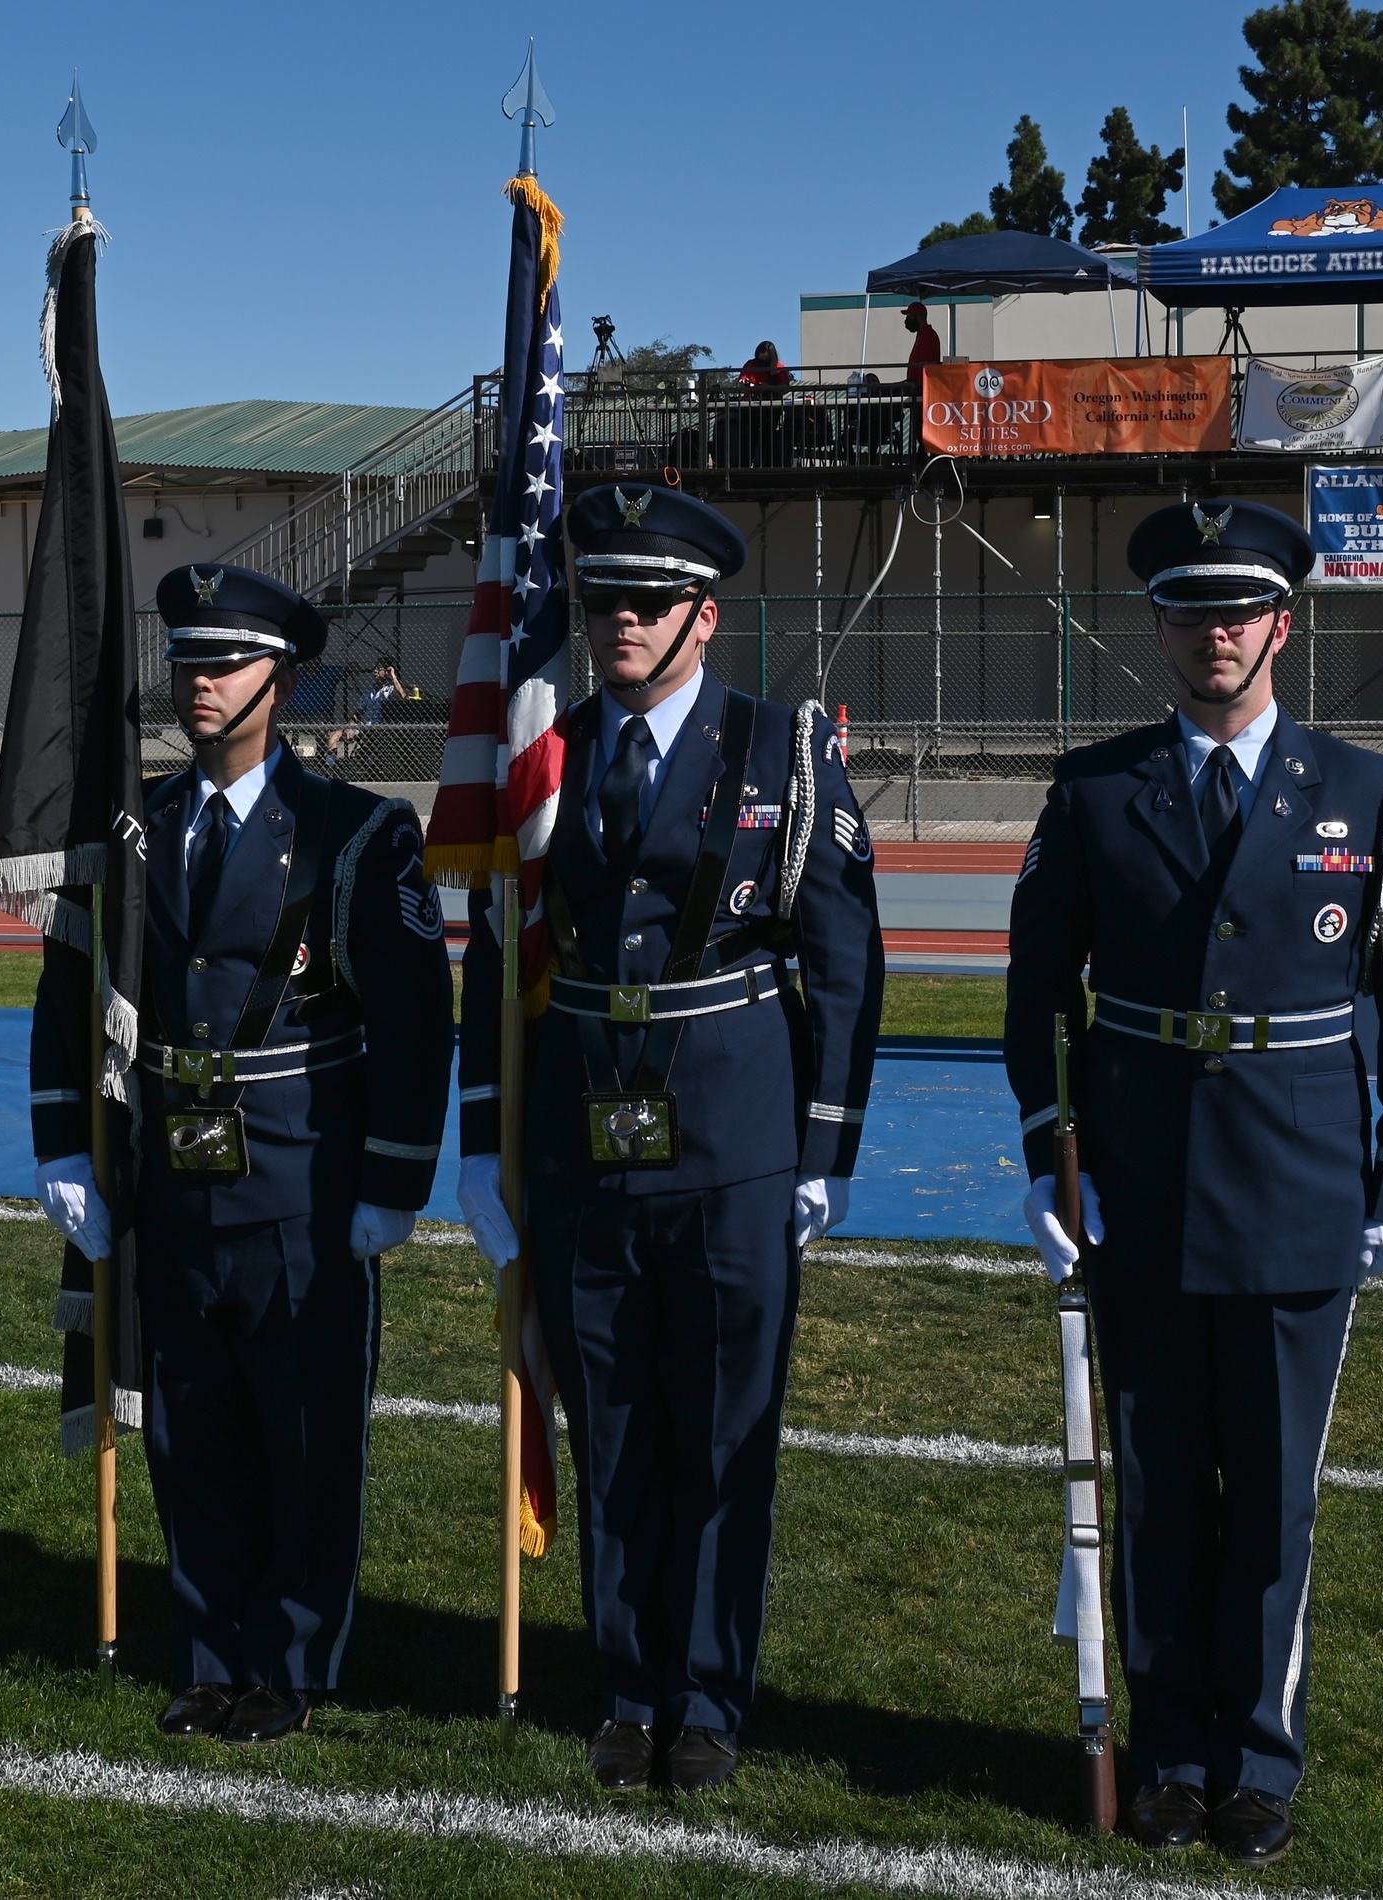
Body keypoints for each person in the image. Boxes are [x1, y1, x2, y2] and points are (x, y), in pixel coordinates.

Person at [1004, 499, 1383, 1868]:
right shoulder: (1092, 791)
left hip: (1301, 1184)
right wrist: (1048, 1150)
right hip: (1139, 1185)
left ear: (1282, 623)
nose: (1217, 632)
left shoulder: (1368, 791)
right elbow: (1036, 995)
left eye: (1241, 608)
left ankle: (1257, 1759)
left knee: (1268, 1499)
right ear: (1159, 627)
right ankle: (1173, 1752)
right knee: (1152, 1487)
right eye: (1191, 610)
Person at [456, 486, 884, 1795]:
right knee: (616, 1427)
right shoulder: (551, 757)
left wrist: (823, 1150)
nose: (619, 622)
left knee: (720, 1430)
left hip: (736, 1143)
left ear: (707, 614)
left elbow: (846, 961)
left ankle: (706, 1692)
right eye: (602, 601)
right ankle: (630, 1683)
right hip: (587, 1142)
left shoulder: (783, 752)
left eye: (648, 602)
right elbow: (495, 955)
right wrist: (486, 1142)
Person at [30, 563, 452, 1745]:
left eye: (223, 662)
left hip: (300, 1175)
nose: (198, 681)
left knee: (304, 1429)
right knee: (190, 1424)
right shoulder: (135, 828)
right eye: (186, 661)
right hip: (169, 1173)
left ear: (284, 677)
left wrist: (392, 1179)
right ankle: (211, 1648)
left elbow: (416, 1021)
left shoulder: (357, 832)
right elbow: (69, 997)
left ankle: (294, 1657)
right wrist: (65, 1140)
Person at [903, 302, 942, 387]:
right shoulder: (922, 334)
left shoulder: (928, 336)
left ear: (919, 317)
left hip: (921, 389)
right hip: (917, 386)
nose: (907, 320)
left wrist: (919, 386)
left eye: (910, 317)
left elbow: (926, 363)